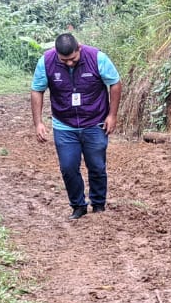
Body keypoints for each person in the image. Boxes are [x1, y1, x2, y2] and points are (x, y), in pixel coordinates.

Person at [31, 32, 121, 219]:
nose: (69, 63)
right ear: (56, 53)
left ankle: (98, 205)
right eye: (64, 60)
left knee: (97, 166)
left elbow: (115, 83)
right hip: (64, 125)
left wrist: (112, 115)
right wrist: (38, 122)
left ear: (79, 48)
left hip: (95, 121)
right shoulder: (46, 62)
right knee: (68, 167)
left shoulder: (97, 58)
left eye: (73, 58)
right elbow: (37, 90)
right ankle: (78, 206)